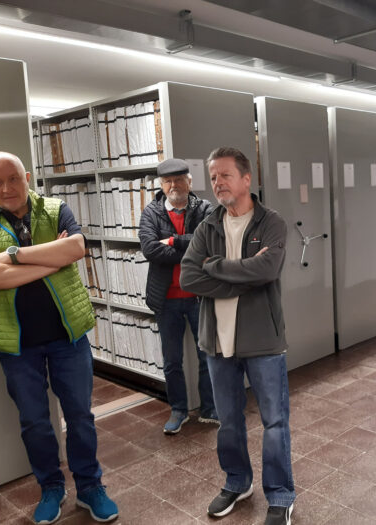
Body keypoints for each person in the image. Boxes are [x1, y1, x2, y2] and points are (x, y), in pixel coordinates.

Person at [0, 152, 118, 524]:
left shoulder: (55, 209)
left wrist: (8, 257)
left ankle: (90, 487)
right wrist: (51, 261)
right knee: (34, 422)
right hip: (16, 344)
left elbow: (76, 248)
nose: (7, 188)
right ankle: (51, 487)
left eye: (13, 178)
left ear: (27, 176)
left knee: (80, 416)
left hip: (68, 335)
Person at [179, 147, 294, 525]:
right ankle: (237, 482)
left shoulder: (271, 223)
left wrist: (214, 266)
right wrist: (241, 278)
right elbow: (189, 277)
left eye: (225, 175)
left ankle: (280, 494)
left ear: (246, 179)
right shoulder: (207, 226)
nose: (217, 183)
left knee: (274, 422)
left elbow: (267, 270)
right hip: (217, 342)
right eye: (213, 177)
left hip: (262, 342)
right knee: (228, 422)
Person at [139, 158, 217, 434]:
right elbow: (150, 249)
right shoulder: (151, 212)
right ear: (161, 185)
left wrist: (173, 241)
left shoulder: (205, 208)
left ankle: (209, 408)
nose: (174, 185)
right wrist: (192, 249)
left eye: (179, 180)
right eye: (168, 181)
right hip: (166, 299)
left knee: (207, 355)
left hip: (199, 296)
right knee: (172, 361)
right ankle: (179, 410)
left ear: (189, 182)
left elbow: (211, 242)